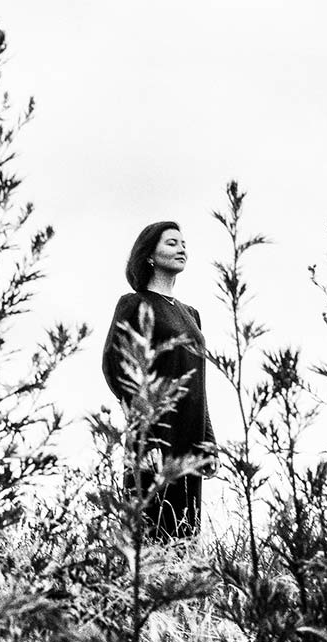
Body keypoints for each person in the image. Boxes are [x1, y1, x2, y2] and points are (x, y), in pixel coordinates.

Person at [101, 221, 219, 540]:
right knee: (151, 536)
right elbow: (117, 367)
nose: (182, 248)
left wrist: (208, 440)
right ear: (150, 255)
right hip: (155, 438)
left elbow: (198, 383)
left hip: (189, 441)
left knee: (184, 538)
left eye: (184, 243)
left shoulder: (191, 314)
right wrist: (146, 436)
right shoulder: (134, 304)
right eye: (171, 243)